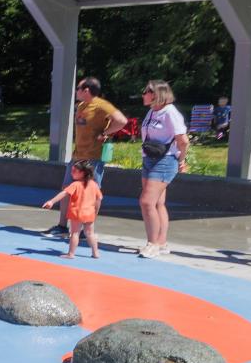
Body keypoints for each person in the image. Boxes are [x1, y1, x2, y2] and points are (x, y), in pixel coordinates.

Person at [46, 77, 126, 237]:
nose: (76, 91)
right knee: (67, 189)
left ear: (87, 90)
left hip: (93, 158)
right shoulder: (81, 105)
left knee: (92, 193)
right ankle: (62, 226)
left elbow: (121, 121)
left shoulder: (102, 105)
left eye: (78, 88)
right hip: (77, 156)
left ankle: (87, 229)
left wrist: (105, 133)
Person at [134, 80, 191, 258]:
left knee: (146, 202)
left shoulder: (170, 112)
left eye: (146, 91)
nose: (143, 94)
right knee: (157, 203)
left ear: (157, 93)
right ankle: (162, 242)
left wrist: (181, 160)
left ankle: (152, 244)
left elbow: (183, 140)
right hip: (150, 159)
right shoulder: (153, 111)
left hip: (165, 161)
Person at [41, 160, 103, 258]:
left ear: (82, 173)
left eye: (74, 171)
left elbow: (64, 193)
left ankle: (71, 253)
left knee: (74, 233)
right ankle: (95, 253)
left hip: (77, 213)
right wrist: (95, 211)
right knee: (90, 233)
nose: (71, 172)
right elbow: (99, 198)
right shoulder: (94, 184)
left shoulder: (75, 184)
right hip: (90, 213)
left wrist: (52, 201)